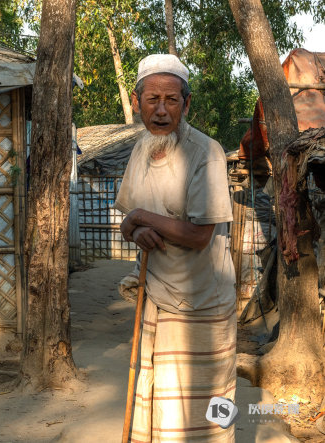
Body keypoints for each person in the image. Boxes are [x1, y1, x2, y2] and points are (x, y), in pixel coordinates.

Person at [115, 54, 236, 442]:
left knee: (202, 418)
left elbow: (200, 235)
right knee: (157, 407)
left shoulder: (206, 152)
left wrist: (140, 218)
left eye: (171, 100)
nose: (162, 110)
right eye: (153, 100)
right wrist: (136, 228)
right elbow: (129, 222)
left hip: (202, 301)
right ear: (137, 102)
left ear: (187, 104)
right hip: (156, 294)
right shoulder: (140, 149)